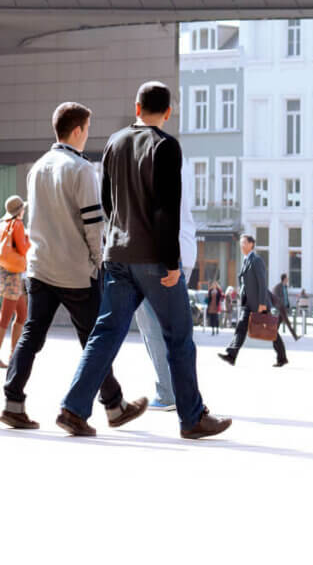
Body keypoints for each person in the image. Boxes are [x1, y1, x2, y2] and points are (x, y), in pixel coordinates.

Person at [56, 83, 231, 438]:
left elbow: (106, 201)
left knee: (104, 334)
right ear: (168, 112)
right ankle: (192, 418)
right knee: (179, 336)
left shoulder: (114, 142)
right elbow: (167, 210)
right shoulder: (166, 146)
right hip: (153, 258)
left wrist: (118, 235)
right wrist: (171, 263)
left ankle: (73, 409)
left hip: (117, 254)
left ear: (137, 108)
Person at [1, 103, 147, 431]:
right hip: (75, 271)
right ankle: (110, 406)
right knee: (95, 338)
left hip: (39, 268)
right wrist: (100, 262)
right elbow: (93, 226)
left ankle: (13, 403)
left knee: (31, 335)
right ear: (78, 130)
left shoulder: (37, 168)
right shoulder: (81, 169)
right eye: (88, 129)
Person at [133, 158, 198, 412]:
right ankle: (180, 392)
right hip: (183, 251)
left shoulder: (153, 167)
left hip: (161, 256)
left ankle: (167, 392)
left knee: (151, 325)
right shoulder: (181, 163)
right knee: (172, 327)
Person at [219, 234, 287, 368]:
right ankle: (232, 355)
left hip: (258, 303)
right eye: (240, 244)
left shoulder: (256, 260)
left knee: (271, 331)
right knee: (240, 327)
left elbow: (262, 283)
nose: (241, 246)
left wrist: (262, 303)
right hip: (247, 303)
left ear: (251, 244)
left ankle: (282, 357)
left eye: (244, 243)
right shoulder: (245, 260)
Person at [0, 195, 30, 368]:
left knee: (22, 314)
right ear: (20, 210)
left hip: (5, 271)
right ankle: (11, 355)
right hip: (13, 274)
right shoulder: (17, 225)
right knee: (5, 316)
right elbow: (22, 248)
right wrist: (29, 240)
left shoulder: (3, 223)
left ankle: (14, 355)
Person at [270, 273, 299, 341]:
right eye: (287, 278)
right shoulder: (277, 287)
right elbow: (274, 296)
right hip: (280, 307)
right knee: (287, 322)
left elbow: (286, 297)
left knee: (279, 322)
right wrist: (279, 304)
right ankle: (295, 336)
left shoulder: (285, 287)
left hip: (284, 307)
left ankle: (272, 334)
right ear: (284, 279)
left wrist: (287, 304)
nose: (288, 279)